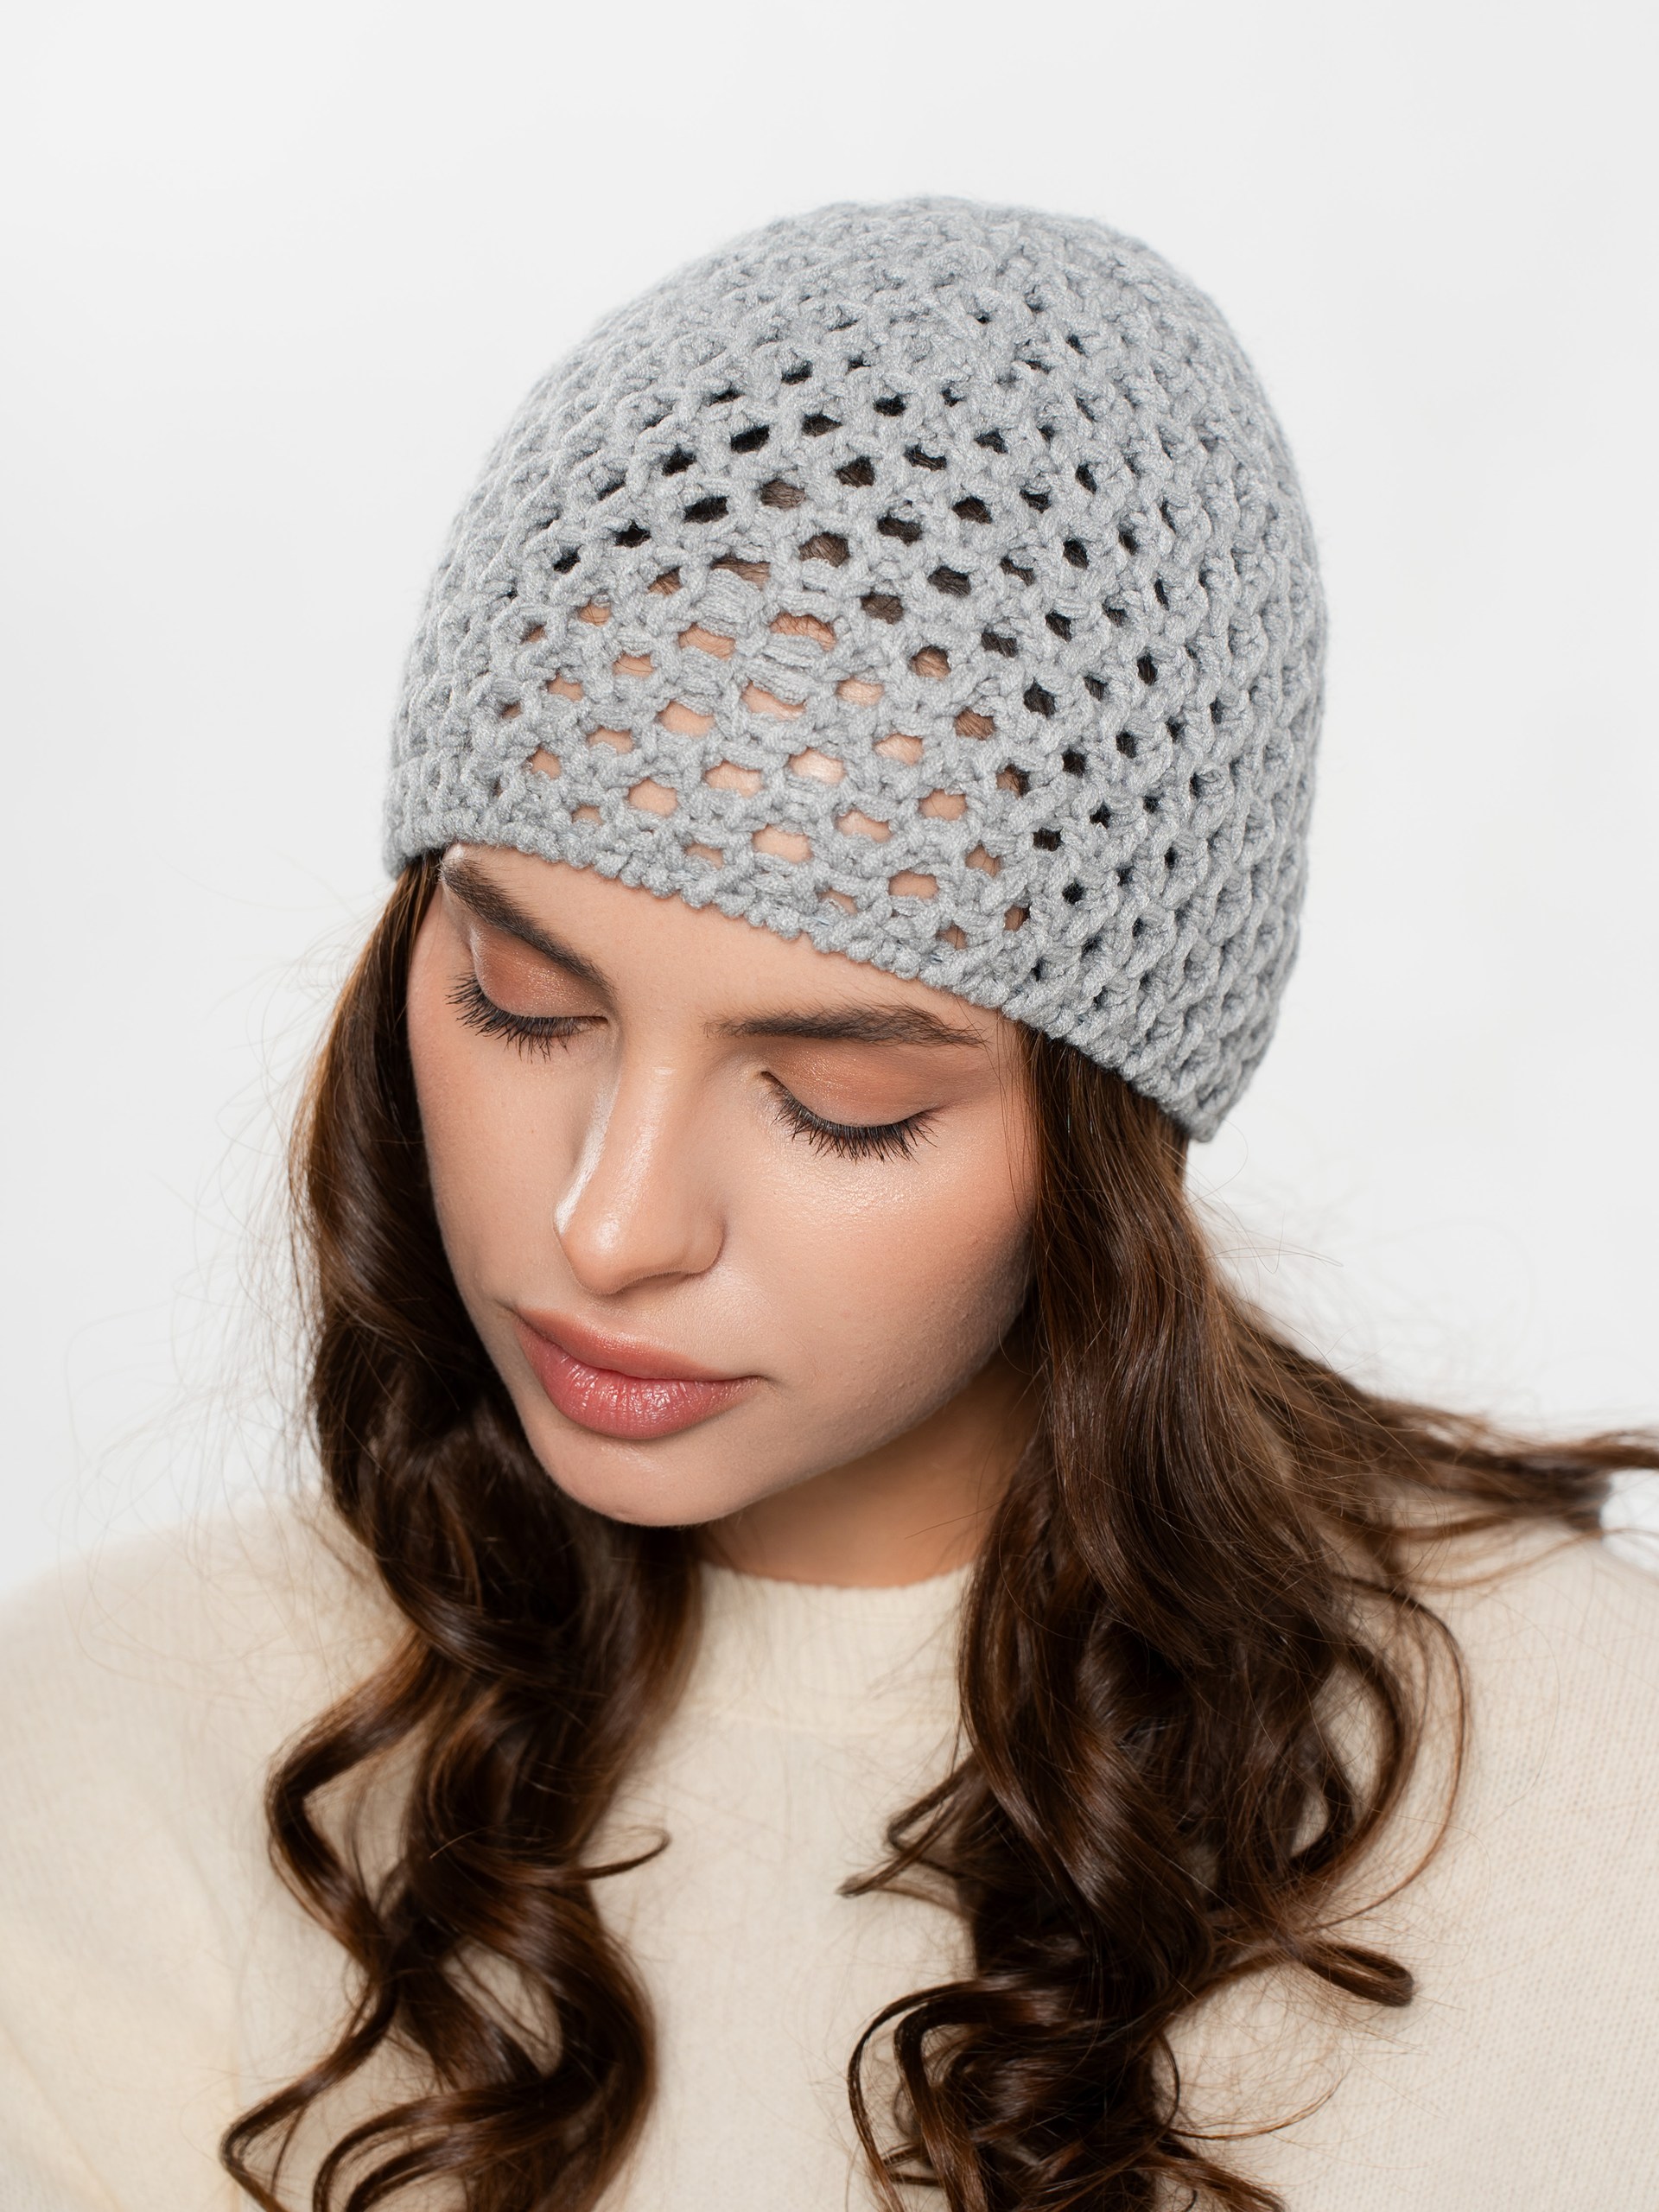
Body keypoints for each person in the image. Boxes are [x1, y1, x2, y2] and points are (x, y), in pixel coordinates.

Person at [2, 194, 1656, 2212]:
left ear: (1114, 1137)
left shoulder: (1602, 1806)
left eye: (841, 1102)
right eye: (521, 1002)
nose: (611, 1226)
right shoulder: (87, 1760)